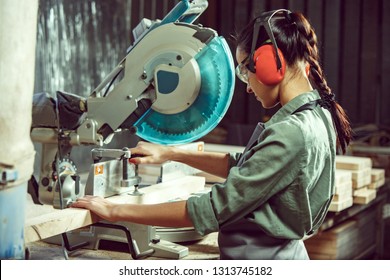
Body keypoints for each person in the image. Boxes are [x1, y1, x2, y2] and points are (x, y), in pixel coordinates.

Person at [71, 9, 352, 259]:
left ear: (269, 63)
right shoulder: (317, 114)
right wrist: (170, 152)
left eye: (245, 72)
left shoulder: (291, 132)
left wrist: (114, 212)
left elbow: (214, 209)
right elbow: (248, 166)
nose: (248, 87)